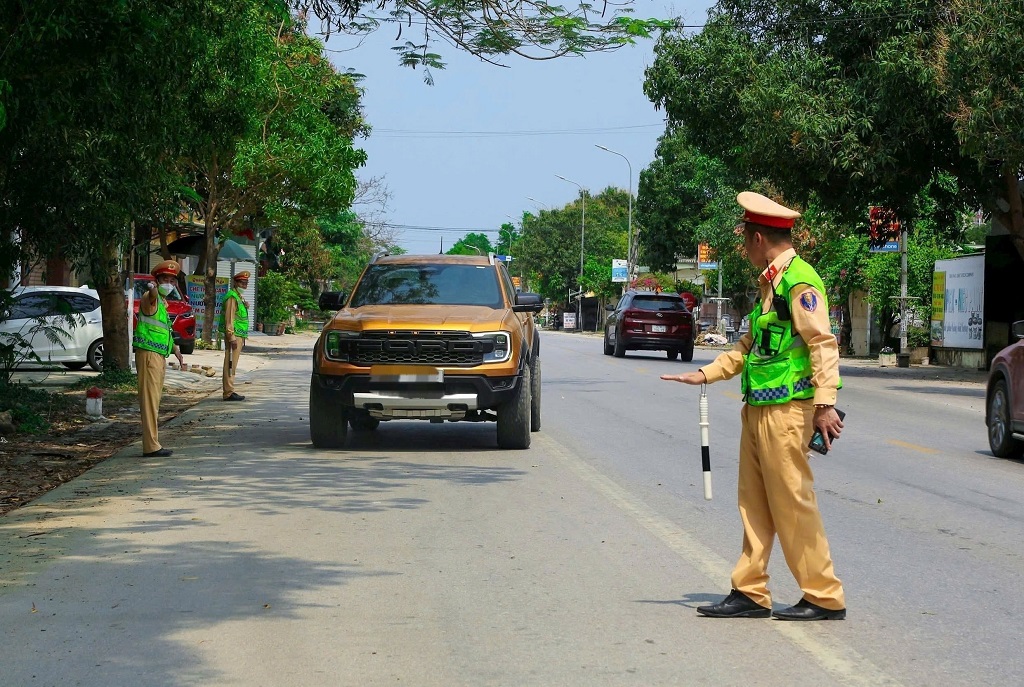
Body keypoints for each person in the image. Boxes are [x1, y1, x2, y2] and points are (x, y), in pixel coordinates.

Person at [662, 191, 846, 621]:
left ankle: (823, 595)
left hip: (788, 411)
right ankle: (749, 590)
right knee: (754, 505)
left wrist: (825, 405)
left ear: (758, 237)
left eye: (745, 239)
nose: (744, 248)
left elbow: (823, 344)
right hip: (760, 409)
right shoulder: (771, 283)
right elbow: (750, 347)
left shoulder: (800, 281)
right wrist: (706, 373)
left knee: (793, 504)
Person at [135, 260, 185, 457]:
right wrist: (153, 288)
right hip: (148, 355)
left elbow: (164, 330)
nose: (169, 284)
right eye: (165, 279)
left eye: (173, 280)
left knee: (154, 401)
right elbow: (152, 294)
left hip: (157, 356)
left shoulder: (162, 305)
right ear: (156, 280)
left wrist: (175, 349)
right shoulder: (150, 297)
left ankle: (153, 443)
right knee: (149, 401)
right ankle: (151, 446)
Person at [221, 271, 250, 401]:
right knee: (230, 363)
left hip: (239, 335)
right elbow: (229, 318)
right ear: (235, 283)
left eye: (246, 283)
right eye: (242, 283)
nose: (244, 286)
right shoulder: (232, 297)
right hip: (234, 335)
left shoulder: (238, 297)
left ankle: (229, 389)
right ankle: (228, 392)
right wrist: (231, 336)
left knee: (233, 363)